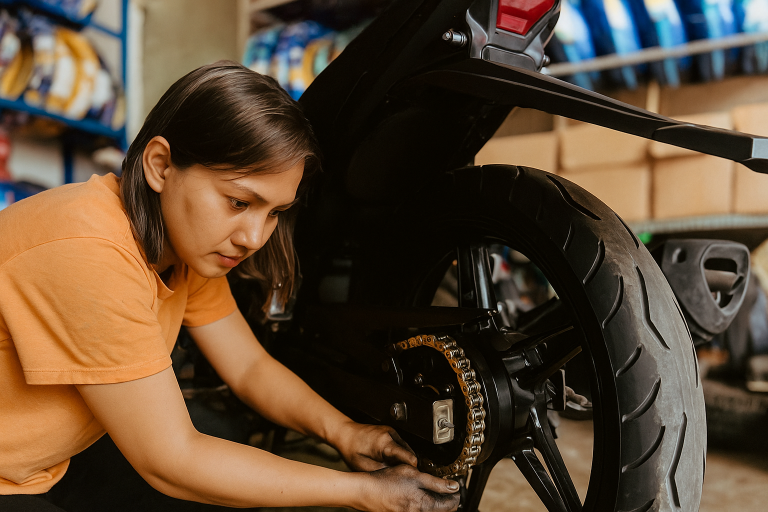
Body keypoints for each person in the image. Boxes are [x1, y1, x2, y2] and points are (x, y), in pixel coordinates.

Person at [0, 61, 461, 512]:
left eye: (275, 212)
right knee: (196, 462)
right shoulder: (88, 251)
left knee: (222, 450)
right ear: (160, 166)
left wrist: (344, 431)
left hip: (48, 464)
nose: (254, 238)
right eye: (239, 202)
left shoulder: (181, 248)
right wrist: (360, 491)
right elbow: (170, 459)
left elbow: (249, 368)